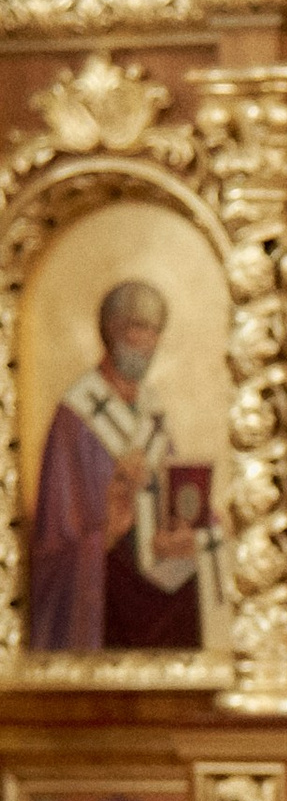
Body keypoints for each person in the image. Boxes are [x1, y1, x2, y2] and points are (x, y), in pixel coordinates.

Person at [28, 277, 202, 655]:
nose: (149, 342)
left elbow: (172, 495)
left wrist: (187, 526)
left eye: (156, 331)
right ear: (112, 330)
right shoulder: (74, 417)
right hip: (103, 584)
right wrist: (109, 526)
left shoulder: (152, 410)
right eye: (139, 328)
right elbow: (56, 538)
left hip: (155, 573)